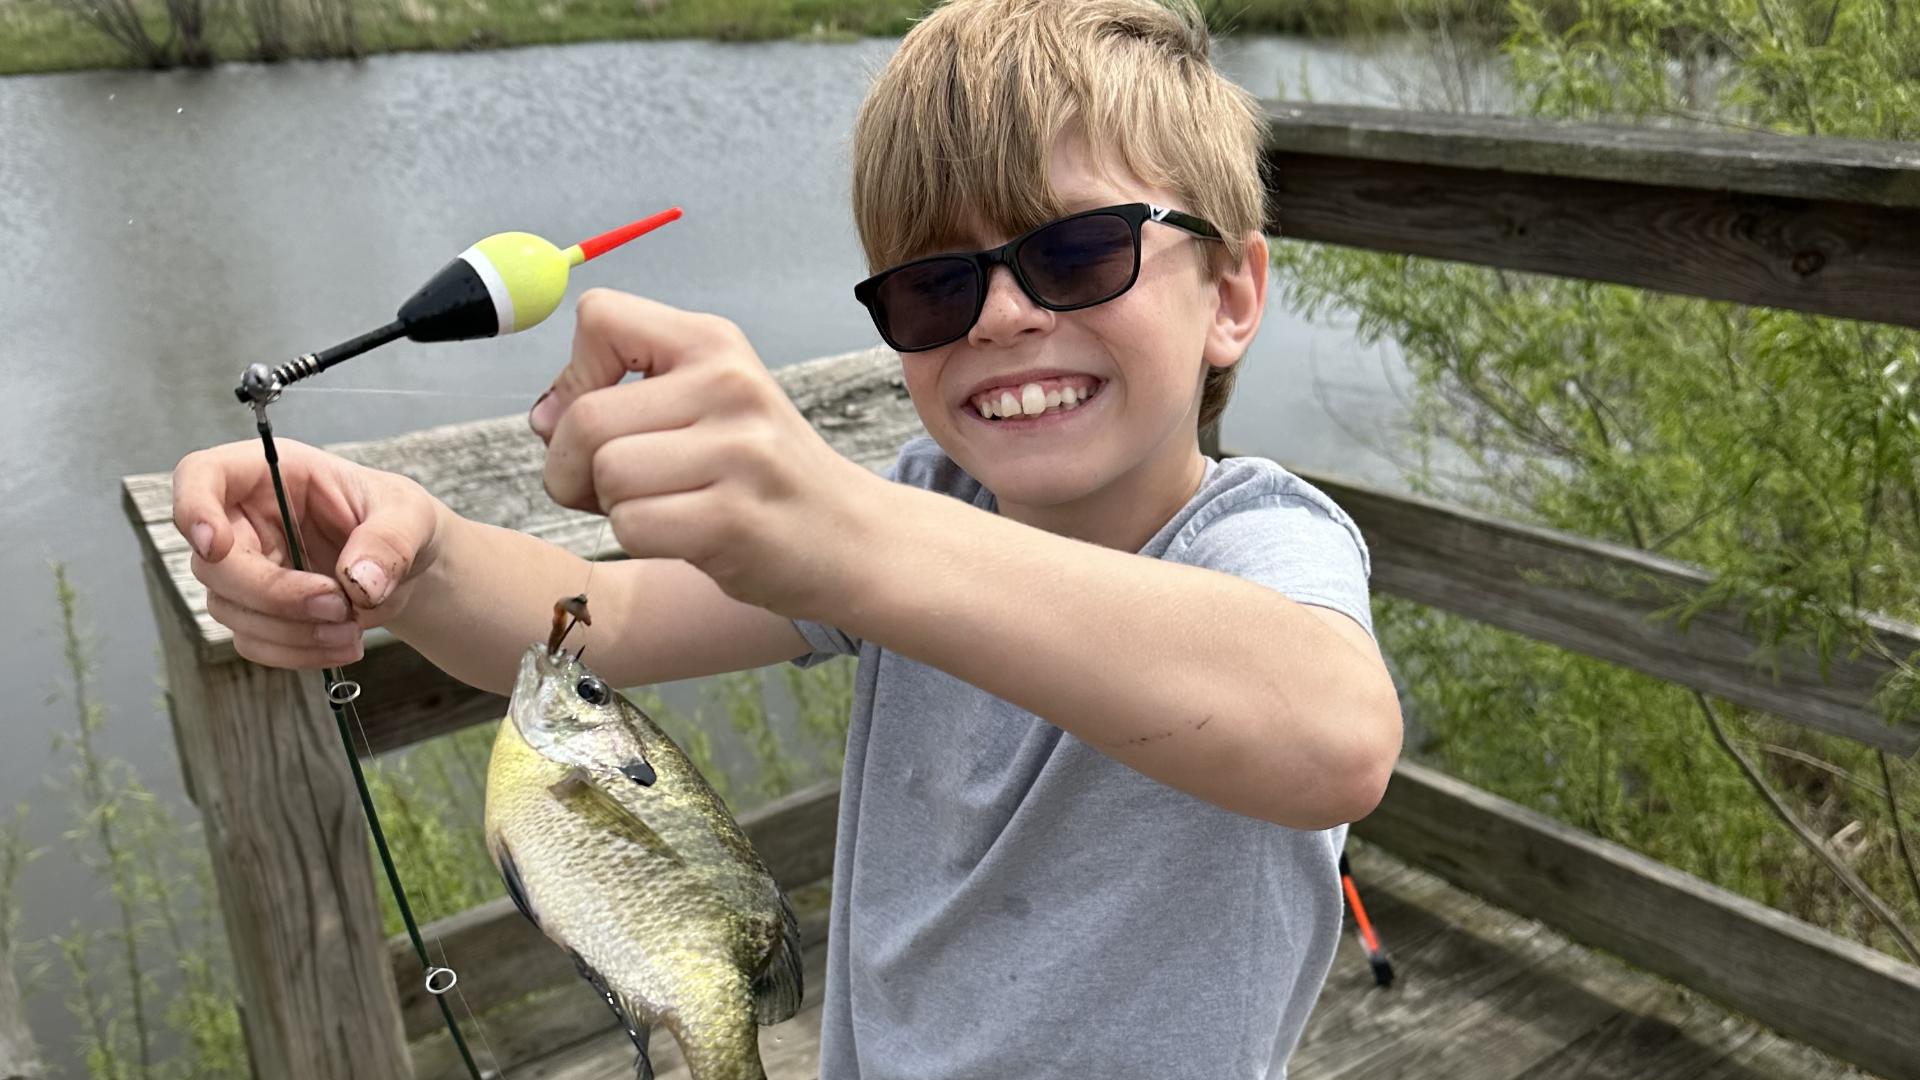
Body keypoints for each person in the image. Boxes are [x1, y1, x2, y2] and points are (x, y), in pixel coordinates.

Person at [170, 0, 1402, 1075]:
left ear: (1231, 295)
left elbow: (1328, 739)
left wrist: (845, 531)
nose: (1005, 317)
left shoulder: (1256, 539)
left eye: (1080, 251)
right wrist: (418, 555)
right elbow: (597, 621)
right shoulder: (928, 508)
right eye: (935, 287)